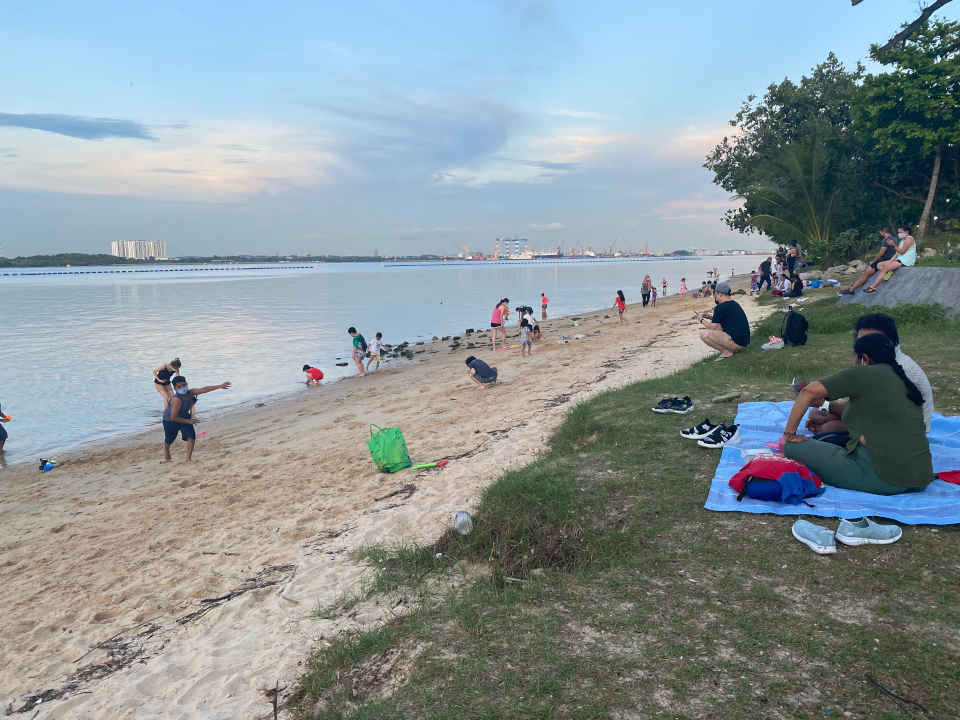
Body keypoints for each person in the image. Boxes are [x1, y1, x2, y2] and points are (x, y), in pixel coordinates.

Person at [782, 334, 932, 494]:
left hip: (884, 478)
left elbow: (808, 391)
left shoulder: (864, 374)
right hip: (920, 476)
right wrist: (825, 405)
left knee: (791, 447)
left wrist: (789, 434)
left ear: (864, 358)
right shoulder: (902, 378)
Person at [808, 313, 934, 438]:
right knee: (817, 414)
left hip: (901, 431)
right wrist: (824, 407)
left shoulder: (896, 370)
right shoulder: (873, 360)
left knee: (830, 427)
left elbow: (865, 413)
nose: (864, 345)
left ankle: (824, 432)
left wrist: (825, 406)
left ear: (889, 341)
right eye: (861, 341)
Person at [162, 376, 231, 462]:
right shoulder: (176, 400)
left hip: (183, 416)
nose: (183, 388)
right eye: (179, 387)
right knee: (169, 439)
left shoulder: (191, 392)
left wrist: (219, 386)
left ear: (187, 384)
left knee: (191, 436)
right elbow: (173, 417)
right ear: (175, 388)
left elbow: (204, 389)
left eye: (184, 385)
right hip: (170, 420)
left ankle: (188, 459)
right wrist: (188, 421)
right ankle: (167, 453)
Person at [697, 281, 750, 358]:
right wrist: (708, 317)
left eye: (715, 293)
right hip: (744, 342)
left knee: (704, 334)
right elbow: (726, 320)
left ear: (720, 294)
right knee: (719, 327)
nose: (715, 296)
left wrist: (701, 320)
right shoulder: (734, 304)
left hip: (737, 344)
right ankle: (729, 350)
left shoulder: (720, 307)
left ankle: (726, 352)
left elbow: (712, 327)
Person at [839, 227, 898, 295]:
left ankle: (851, 290)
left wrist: (873, 261)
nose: (880, 234)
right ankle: (853, 287)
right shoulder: (895, 239)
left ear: (884, 232)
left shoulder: (885, 240)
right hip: (890, 260)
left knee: (865, 274)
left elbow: (881, 253)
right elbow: (889, 251)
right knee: (867, 274)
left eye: (880, 232)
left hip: (882, 261)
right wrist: (872, 255)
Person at [865, 223, 917, 293]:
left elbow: (902, 252)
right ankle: (889, 272)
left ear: (906, 232)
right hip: (899, 259)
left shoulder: (909, 239)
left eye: (900, 232)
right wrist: (890, 261)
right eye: (898, 232)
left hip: (905, 261)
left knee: (885, 268)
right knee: (879, 265)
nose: (899, 234)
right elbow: (897, 253)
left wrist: (893, 245)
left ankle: (873, 287)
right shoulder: (902, 241)